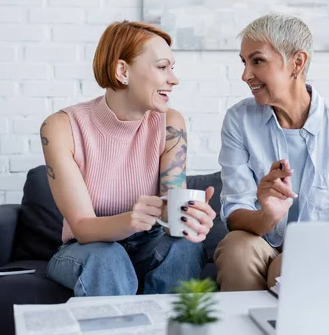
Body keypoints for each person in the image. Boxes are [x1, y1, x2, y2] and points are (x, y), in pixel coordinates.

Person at [40, 20, 217, 297]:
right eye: (162, 67)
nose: (173, 79)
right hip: (87, 249)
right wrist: (129, 220)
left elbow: (173, 211)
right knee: (108, 257)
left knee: (185, 246)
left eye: (172, 68)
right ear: (123, 71)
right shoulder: (61, 127)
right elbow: (83, 228)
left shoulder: (171, 124)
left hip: (149, 242)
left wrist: (191, 219)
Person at [214, 14, 329, 291]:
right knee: (236, 249)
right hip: (259, 242)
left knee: (287, 265)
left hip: (322, 251)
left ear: (297, 63)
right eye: (244, 63)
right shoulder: (239, 120)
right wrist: (267, 215)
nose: (245, 75)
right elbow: (234, 211)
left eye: (257, 61)